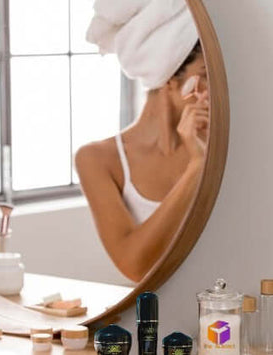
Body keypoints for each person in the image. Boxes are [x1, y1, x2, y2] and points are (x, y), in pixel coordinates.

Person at [75, 0, 208, 283]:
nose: (217, 91)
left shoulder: (223, 147)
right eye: (205, 77)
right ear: (170, 78)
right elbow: (134, 265)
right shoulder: (97, 160)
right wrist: (196, 167)